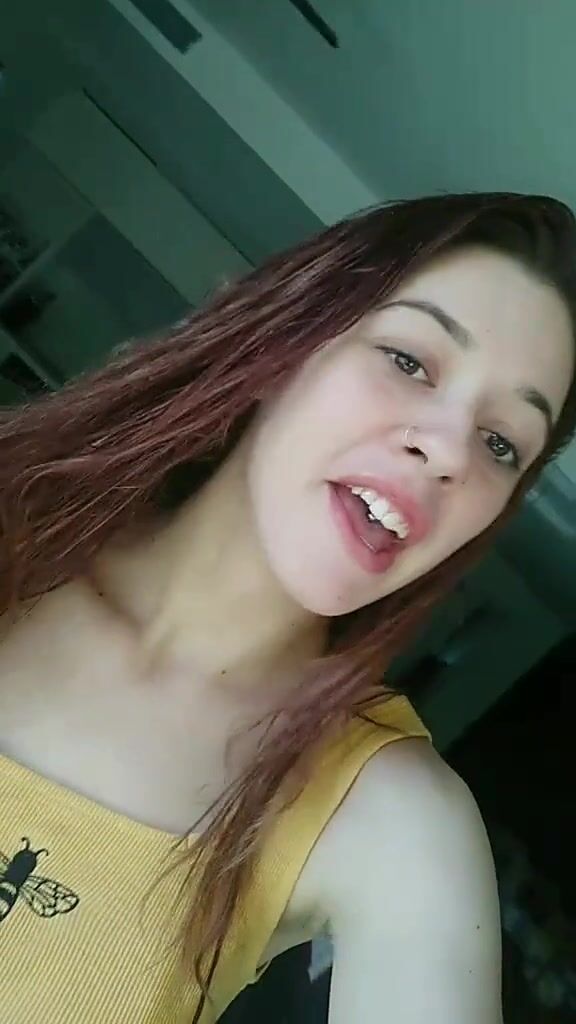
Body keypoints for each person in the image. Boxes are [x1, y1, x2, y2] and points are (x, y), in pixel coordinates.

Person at [0, 192, 575, 1024]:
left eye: (502, 443)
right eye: (409, 361)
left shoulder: (387, 820)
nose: (450, 451)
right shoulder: (16, 540)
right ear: (280, 346)